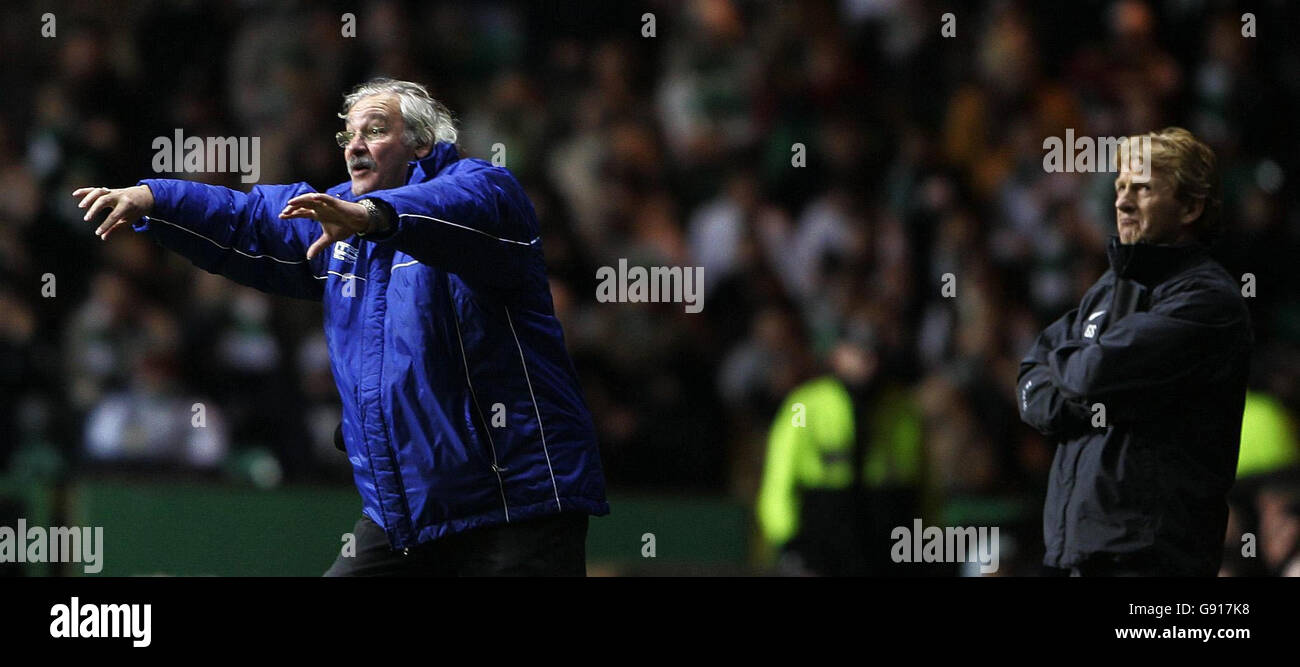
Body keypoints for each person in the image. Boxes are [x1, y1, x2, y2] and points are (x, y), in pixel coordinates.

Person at [72, 78, 610, 576]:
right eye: (347, 133)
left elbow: (456, 209)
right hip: (406, 516)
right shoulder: (337, 220)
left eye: (374, 131)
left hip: (517, 506)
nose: (353, 145)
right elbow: (250, 220)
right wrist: (155, 199)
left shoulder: (485, 191)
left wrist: (372, 215)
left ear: (422, 145)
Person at [1018, 127, 1252, 576]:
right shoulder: (1107, 289)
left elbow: (1092, 374)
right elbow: (1031, 384)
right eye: (1121, 187)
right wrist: (1088, 382)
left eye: (1143, 189)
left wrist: (1074, 372)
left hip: (1152, 560)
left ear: (1191, 206)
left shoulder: (1208, 300)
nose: (1123, 201)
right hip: (1080, 556)